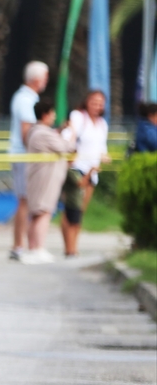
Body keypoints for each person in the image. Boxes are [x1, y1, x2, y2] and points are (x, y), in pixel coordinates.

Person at [61, 89, 110, 258]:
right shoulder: (78, 116)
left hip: (92, 170)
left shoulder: (102, 124)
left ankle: (74, 245)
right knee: (72, 208)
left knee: (80, 210)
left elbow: (102, 147)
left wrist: (104, 157)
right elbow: (69, 136)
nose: (97, 106)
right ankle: (69, 247)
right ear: (87, 102)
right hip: (77, 168)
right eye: (94, 102)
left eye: (100, 103)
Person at [22, 97, 72, 263]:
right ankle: (38, 248)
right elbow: (65, 147)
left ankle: (33, 248)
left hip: (41, 178)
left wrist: (59, 131)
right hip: (45, 179)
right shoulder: (42, 133)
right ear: (45, 114)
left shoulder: (38, 132)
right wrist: (72, 134)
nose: (53, 117)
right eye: (52, 114)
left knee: (37, 214)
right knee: (44, 212)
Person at [9, 62, 49, 261]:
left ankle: (23, 244)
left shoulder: (26, 97)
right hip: (25, 156)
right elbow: (27, 131)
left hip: (24, 156)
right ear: (36, 79)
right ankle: (19, 245)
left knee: (26, 200)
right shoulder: (26, 99)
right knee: (25, 200)